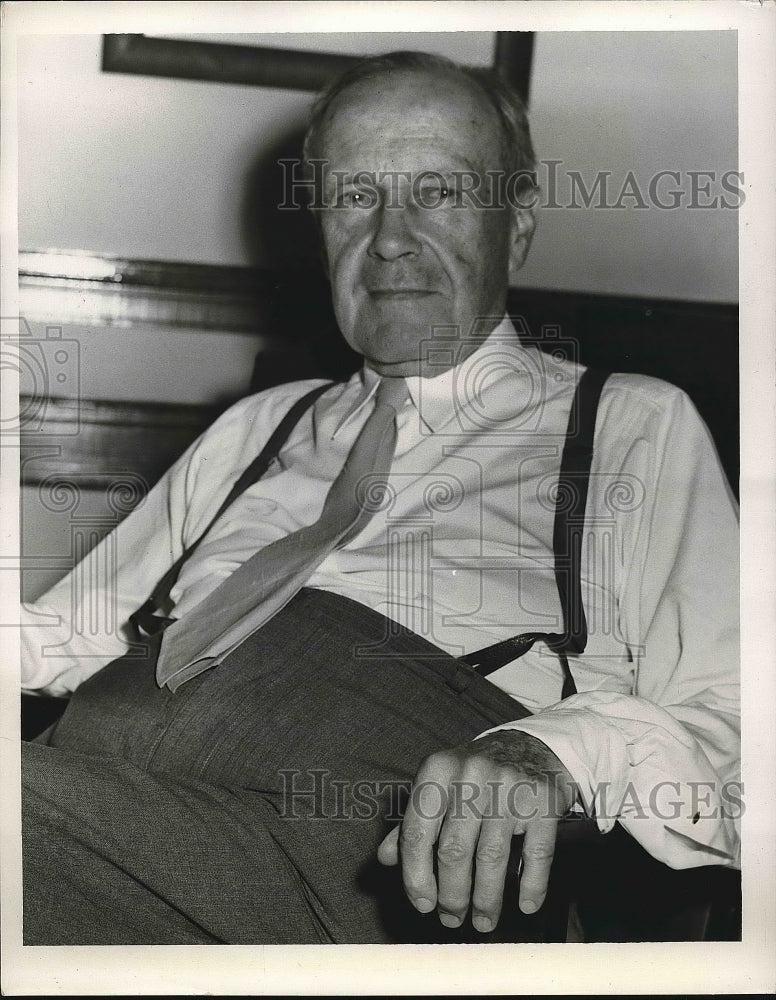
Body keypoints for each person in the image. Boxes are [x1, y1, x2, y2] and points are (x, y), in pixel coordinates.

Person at [20, 51, 740, 945]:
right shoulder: (259, 427)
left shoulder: (631, 424)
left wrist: (556, 755)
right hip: (106, 802)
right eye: (355, 195)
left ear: (515, 226)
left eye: (438, 192)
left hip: (381, 869)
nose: (391, 236)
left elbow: (739, 713)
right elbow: (66, 634)